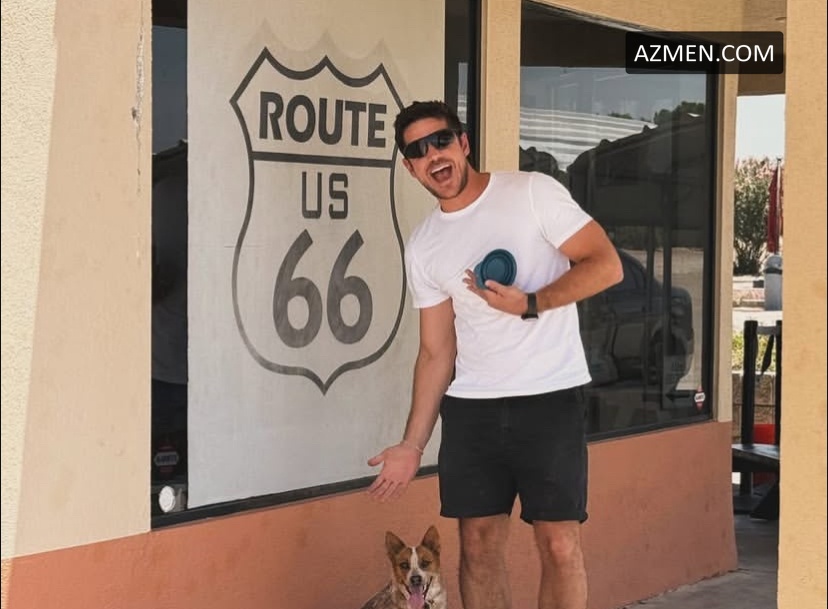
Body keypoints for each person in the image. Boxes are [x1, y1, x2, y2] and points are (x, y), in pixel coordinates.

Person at [367, 101, 622, 609]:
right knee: (478, 547)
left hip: (549, 397)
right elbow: (436, 350)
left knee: (559, 545)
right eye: (417, 151)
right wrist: (412, 444)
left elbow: (606, 264)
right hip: (473, 409)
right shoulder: (424, 246)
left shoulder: (531, 193)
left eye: (441, 141)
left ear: (463, 143)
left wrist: (533, 303)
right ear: (410, 168)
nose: (433, 156)